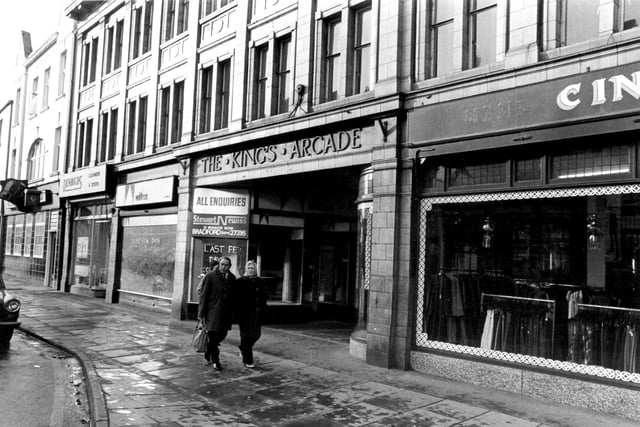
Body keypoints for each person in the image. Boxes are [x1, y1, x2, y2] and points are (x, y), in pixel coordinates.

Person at [198, 256, 235, 370]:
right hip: (212, 312)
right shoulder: (211, 276)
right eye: (222, 264)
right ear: (219, 265)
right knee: (213, 337)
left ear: (229, 266)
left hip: (226, 314)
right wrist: (201, 314)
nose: (223, 267)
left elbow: (234, 296)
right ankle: (216, 361)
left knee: (222, 335)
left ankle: (209, 349)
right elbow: (203, 295)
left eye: (226, 265)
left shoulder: (232, 278)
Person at [233, 260, 267, 368]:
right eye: (249, 268)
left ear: (255, 270)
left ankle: (243, 349)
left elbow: (263, 297)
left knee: (256, 335)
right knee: (246, 336)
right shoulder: (240, 281)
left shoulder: (260, 281)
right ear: (245, 270)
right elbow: (236, 299)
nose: (251, 270)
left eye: (252, 268)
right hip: (244, 314)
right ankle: (248, 361)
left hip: (257, 313)